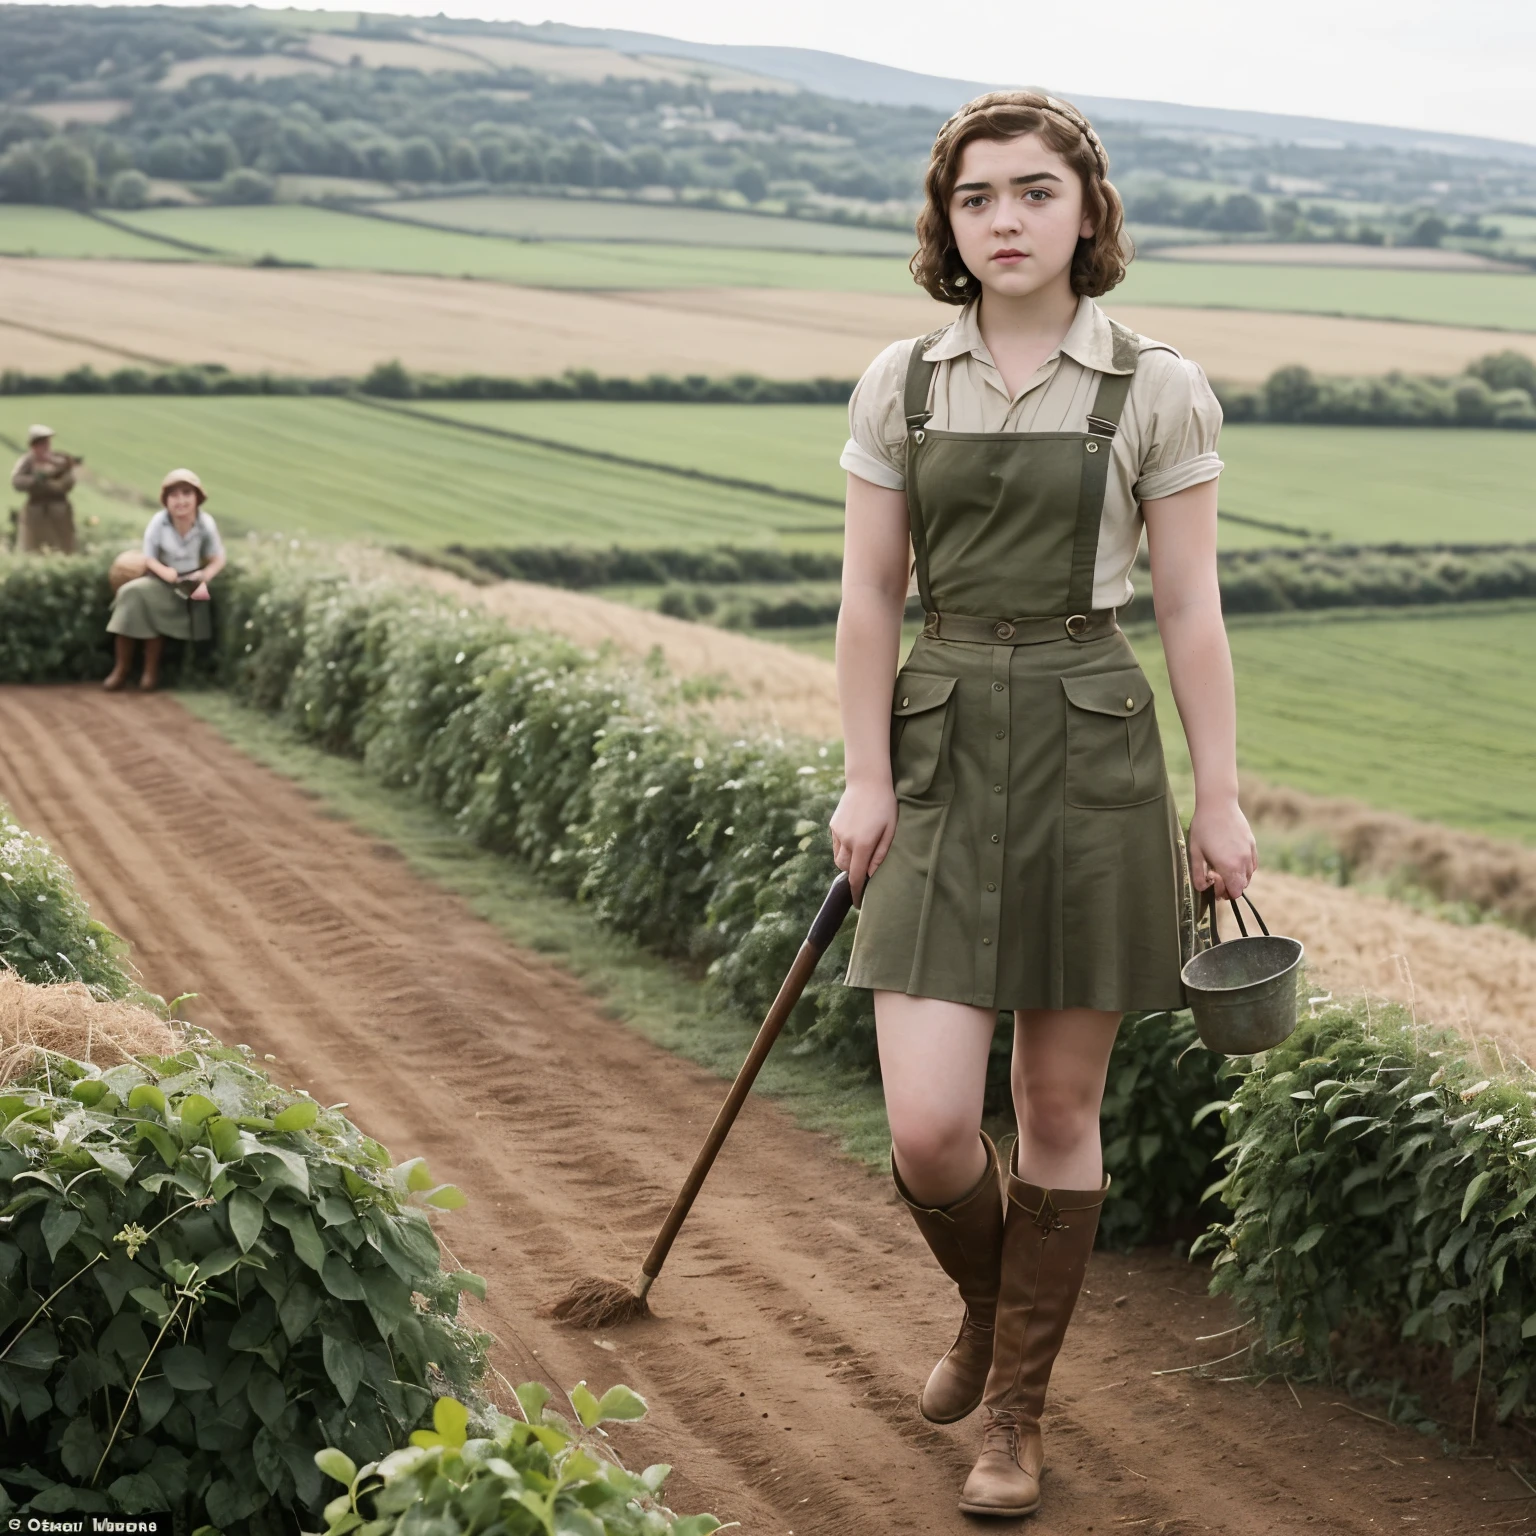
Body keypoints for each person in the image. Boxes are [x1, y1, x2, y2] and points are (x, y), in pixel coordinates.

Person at [829, 91, 1256, 1520]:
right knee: (935, 1128)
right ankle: (996, 1296)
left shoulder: (1157, 387)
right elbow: (870, 596)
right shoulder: (903, 382)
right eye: (975, 198)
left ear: (1088, 213)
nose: (1004, 221)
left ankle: (1014, 1408)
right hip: (942, 737)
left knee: (1056, 1103)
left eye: (1032, 193)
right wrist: (865, 774)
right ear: (945, 224)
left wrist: (1223, 800)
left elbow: (1192, 607)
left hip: (1094, 740)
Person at [104, 469, 225, 692]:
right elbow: (148, 557)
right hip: (160, 581)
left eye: (187, 493)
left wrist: (204, 575)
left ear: (197, 497)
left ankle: (190, 670)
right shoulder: (158, 522)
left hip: (191, 582)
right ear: (166, 500)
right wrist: (164, 571)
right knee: (131, 593)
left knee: (201, 609)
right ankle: (122, 668)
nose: (181, 501)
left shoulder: (205, 523)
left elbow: (218, 558)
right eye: (174, 495)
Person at [10, 425, 77, 554]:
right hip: (36, 511)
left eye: (46, 442)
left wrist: (56, 468)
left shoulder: (60, 460)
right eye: (40, 443)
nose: (44, 446)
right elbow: (16, 481)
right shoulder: (27, 461)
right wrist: (35, 479)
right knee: (33, 548)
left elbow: (69, 482)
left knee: (63, 547)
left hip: (59, 511)